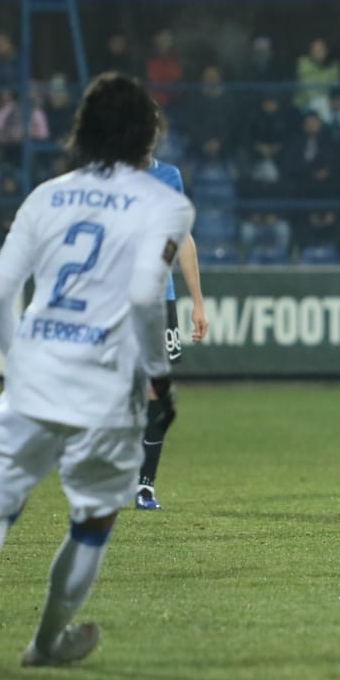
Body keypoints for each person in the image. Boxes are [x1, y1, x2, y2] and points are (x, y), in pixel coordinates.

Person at [0, 72, 195, 673]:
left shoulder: (45, 196)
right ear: (148, 136)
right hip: (105, 388)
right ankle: (46, 643)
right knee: (92, 521)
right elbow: (145, 296)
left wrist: (17, 360)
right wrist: (160, 377)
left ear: (83, 130)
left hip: (34, 374)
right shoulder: (167, 203)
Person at [134, 150, 209, 510]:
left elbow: (183, 239)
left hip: (159, 298)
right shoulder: (107, 175)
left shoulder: (169, 176)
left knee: (156, 390)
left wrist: (197, 301)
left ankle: (144, 485)